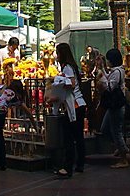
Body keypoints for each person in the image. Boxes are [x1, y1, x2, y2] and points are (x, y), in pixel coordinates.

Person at [0, 79, 37, 172]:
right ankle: (2, 163)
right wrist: (35, 126)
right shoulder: (13, 95)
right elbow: (28, 112)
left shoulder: (2, 86)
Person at [51, 42, 86, 178]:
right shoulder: (71, 66)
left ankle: (67, 167)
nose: (56, 56)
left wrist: (59, 83)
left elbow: (71, 84)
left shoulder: (67, 68)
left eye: (58, 53)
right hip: (79, 104)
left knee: (69, 137)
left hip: (74, 106)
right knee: (78, 136)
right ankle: (80, 164)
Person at [97, 48, 129, 169]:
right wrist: (102, 69)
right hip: (113, 105)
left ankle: (124, 158)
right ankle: (121, 147)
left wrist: (102, 78)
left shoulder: (117, 72)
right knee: (105, 129)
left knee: (116, 131)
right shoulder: (115, 70)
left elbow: (110, 86)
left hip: (116, 105)